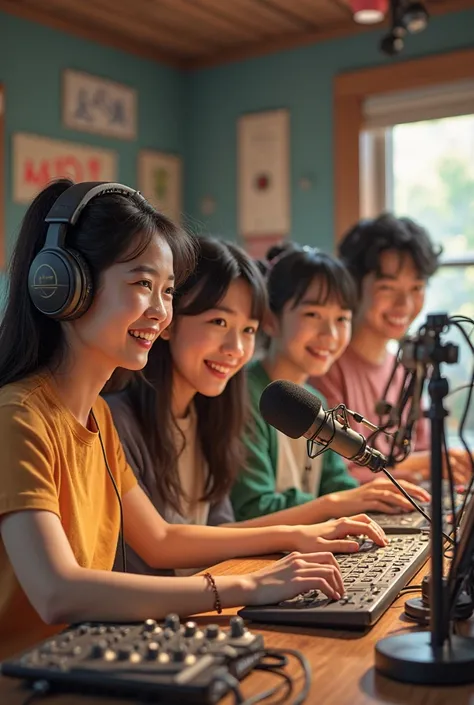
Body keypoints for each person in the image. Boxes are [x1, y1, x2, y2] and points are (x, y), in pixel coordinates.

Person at [0, 182, 348, 660]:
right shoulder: (19, 417)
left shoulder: (95, 414)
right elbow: (57, 591)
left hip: (83, 658)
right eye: (143, 285)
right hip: (30, 676)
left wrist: (291, 539)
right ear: (62, 284)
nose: (161, 313)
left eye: (167, 291)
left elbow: (160, 539)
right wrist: (242, 587)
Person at [105, 236, 387, 577]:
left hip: (201, 597)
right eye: (219, 322)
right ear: (169, 320)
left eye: (247, 329)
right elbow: (162, 546)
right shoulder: (116, 421)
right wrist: (302, 530)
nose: (236, 347)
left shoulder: (211, 414)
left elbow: (222, 530)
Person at [230, 243, 430, 523]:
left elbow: (338, 483)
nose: (331, 334)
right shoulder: (244, 394)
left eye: (342, 319)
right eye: (313, 315)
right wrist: (336, 504)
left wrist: (365, 499)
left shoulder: (315, 400)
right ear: (271, 320)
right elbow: (253, 507)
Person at [315, 214, 471, 484]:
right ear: (354, 286)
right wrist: (425, 467)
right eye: (387, 288)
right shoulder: (324, 367)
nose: (405, 304)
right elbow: (338, 476)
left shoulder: (405, 368)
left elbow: (421, 450)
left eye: (416, 288)